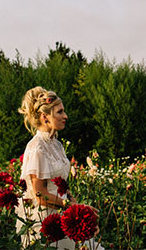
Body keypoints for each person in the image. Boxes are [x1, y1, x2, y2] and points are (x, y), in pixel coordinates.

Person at [15, 86, 104, 250]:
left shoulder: (57, 145)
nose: (65, 116)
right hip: (46, 222)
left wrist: (82, 215)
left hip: (63, 213)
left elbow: (63, 187)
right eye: (60, 112)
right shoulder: (36, 148)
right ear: (45, 117)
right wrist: (73, 210)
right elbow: (40, 195)